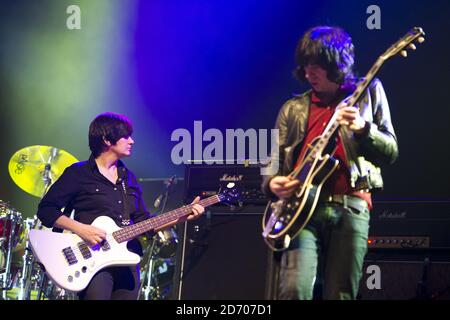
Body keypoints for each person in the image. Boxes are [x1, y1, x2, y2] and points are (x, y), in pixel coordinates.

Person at [262, 26, 398, 300]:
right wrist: (272, 181)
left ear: (336, 64)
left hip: (351, 208)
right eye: (306, 66)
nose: (310, 73)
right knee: (294, 291)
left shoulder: (368, 92)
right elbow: (273, 160)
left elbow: (391, 150)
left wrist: (363, 127)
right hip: (301, 212)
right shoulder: (293, 108)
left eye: (318, 66)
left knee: (341, 294)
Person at [37, 112, 204, 300]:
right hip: (93, 263)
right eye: (126, 136)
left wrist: (181, 217)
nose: (132, 141)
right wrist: (81, 229)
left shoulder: (128, 177)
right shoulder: (79, 173)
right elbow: (46, 209)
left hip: (128, 261)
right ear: (107, 139)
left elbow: (144, 223)